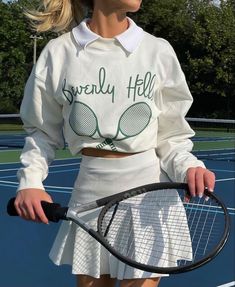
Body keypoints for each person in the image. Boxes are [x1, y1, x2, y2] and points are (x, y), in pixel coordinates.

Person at [14, 0, 215, 286]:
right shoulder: (58, 53)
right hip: (90, 197)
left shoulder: (157, 51)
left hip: (150, 197)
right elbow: (42, 132)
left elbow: (172, 135)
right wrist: (30, 182)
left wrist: (189, 167)